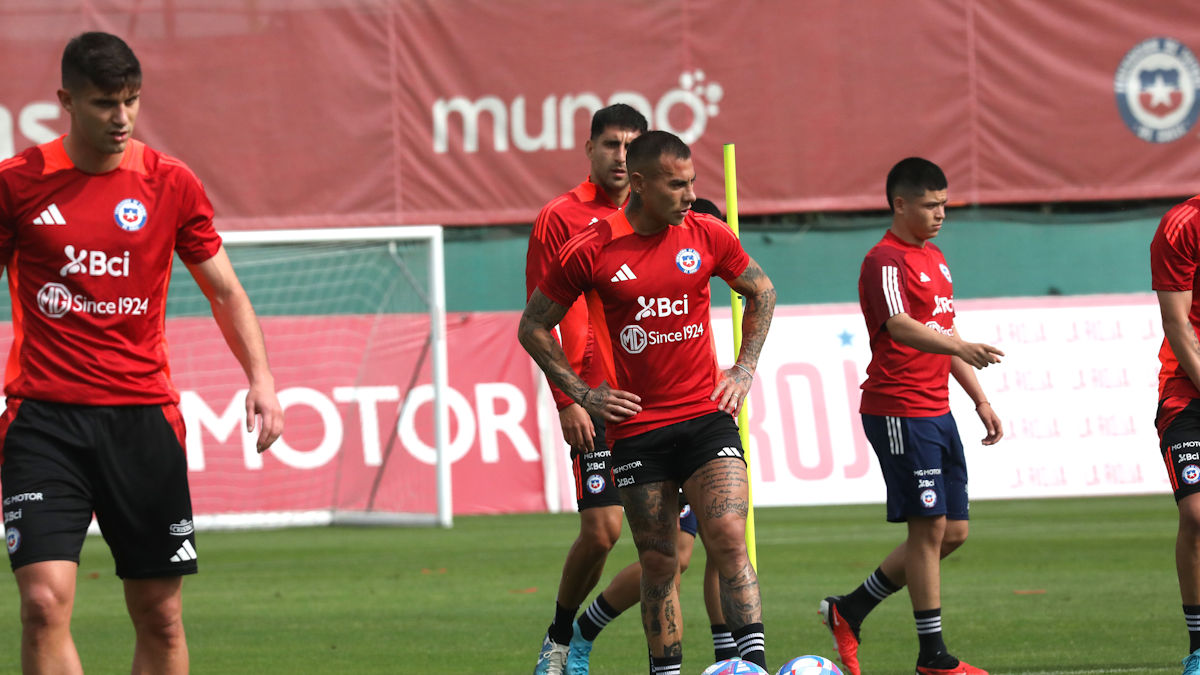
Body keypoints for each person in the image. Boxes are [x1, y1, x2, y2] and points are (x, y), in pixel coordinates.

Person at [0, 32, 283, 674]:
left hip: (143, 421)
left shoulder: (170, 183)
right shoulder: (17, 184)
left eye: (131, 101)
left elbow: (225, 291)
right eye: (104, 103)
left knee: (160, 614)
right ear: (66, 101)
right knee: (42, 605)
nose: (121, 117)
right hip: (44, 423)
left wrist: (261, 379)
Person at [519, 130, 776, 674]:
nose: (688, 195)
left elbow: (762, 291)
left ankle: (751, 667)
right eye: (676, 185)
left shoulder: (706, 234)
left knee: (729, 537)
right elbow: (533, 326)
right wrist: (584, 394)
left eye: (693, 183)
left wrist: (744, 368)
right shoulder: (591, 247)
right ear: (639, 184)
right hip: (637, 431)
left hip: (707, 418)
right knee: (659, 563)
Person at [818, 157, 1002, 675]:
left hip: (936, 411)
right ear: (900, 204)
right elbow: (900, 326)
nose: (940, 213)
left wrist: (979, 398)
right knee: (929, 528)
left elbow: (943, 337)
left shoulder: (937, 259)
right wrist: (961, 346)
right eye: (929, 204)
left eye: (944, 203)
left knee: (954, 532)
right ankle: (933, 657)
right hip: (898, 409)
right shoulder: (884, 261)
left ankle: (849, 608)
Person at [525, 103, 647, 674]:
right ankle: (557, 637)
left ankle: (600, 637)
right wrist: (568, 398)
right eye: (611, 145)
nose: (621, 156)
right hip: (593, 398)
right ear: (590, 151)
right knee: (603, 533)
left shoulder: (663, 212)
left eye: (631, 145)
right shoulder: (560, 216)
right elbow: (538, 317)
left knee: (679, 551)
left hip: (658, 398)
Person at [1150, 194, 1200, 674]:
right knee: (1198, 512)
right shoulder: (1182, 225)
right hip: (1188, 388)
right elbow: (1177, 323)